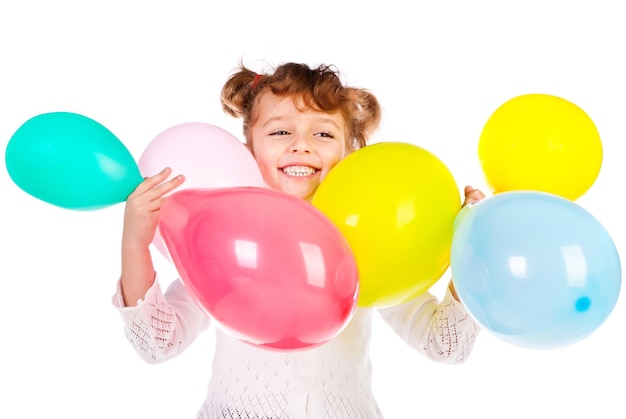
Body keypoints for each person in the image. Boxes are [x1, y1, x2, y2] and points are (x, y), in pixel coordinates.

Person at [113, 61, 485, 419]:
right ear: (248, 152)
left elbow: (447, 345)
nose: (302, 146)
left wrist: (472, 245)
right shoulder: (225, 246)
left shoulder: (369, 241)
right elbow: (157, 343)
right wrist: (135, 244)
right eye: (280, 132)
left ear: (350, 154)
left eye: (323, 134)